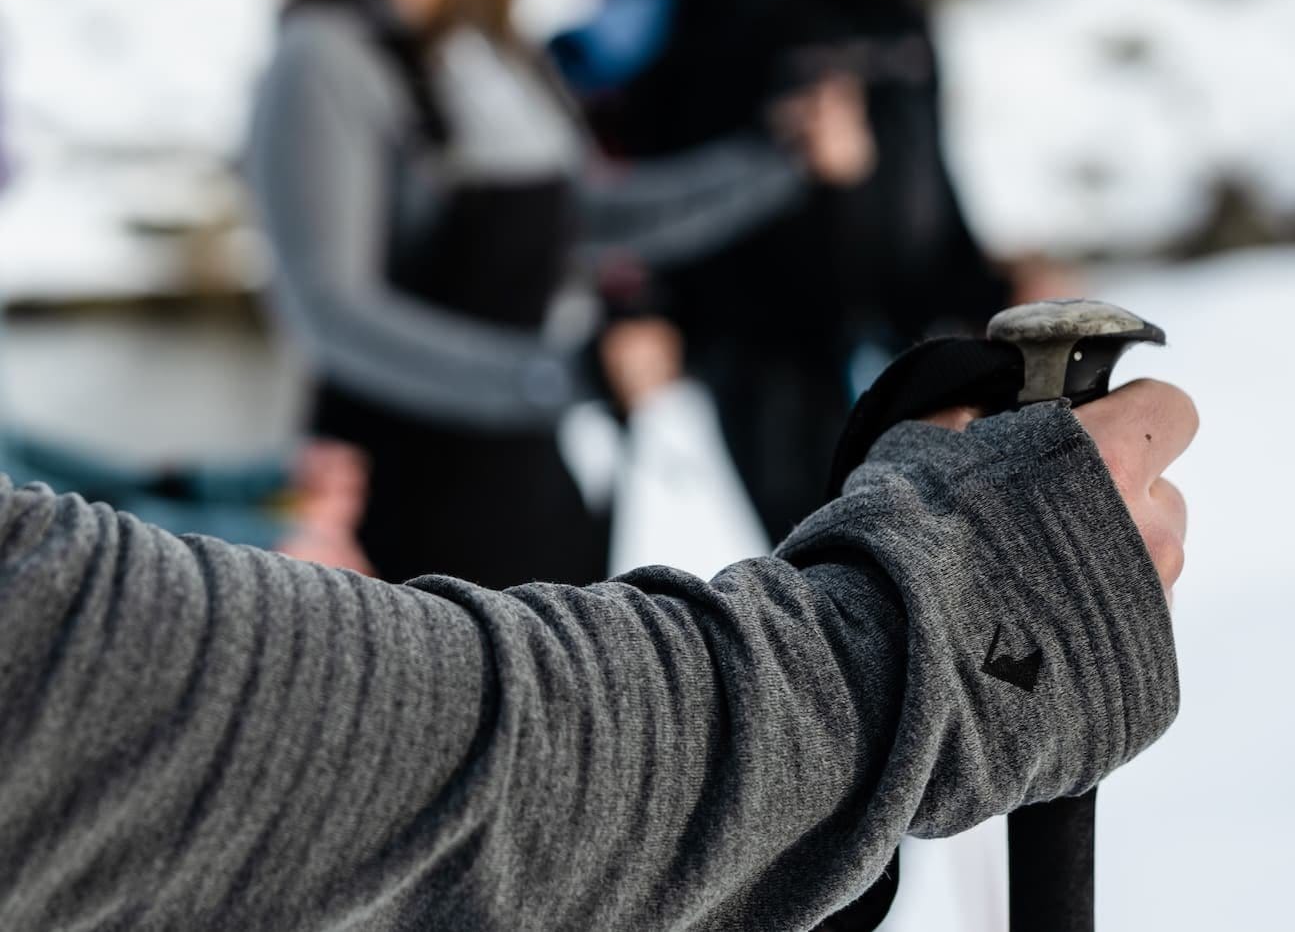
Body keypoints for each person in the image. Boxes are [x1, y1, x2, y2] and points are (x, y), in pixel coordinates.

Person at [0, 368, 1192, 931]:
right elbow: (76, 666)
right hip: (432, 560)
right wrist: (899, 645)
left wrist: (221, 496)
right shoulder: (327, 62)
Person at [247, 0, 869, 590]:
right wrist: (560, 374)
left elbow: (595, 216)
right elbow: (331, 314)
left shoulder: (500, 50)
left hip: (536, 497)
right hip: (396, 531)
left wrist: (778, 159)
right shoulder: (325, 58)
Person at [556, 0, 1059, 545]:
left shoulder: (902, 14)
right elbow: (654, 192)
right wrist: (641, 312)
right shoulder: (745, 6)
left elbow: (928, 194)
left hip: (891, 352)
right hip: (766, 366)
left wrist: (991, 292)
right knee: (836, 587)